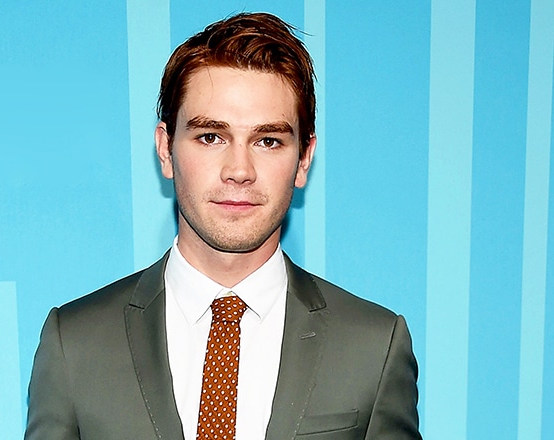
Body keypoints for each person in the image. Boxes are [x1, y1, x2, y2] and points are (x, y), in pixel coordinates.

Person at [25, 12, 421, 440]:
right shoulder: (75, 344)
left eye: (268, 141)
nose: (239, 170)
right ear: (165, 149)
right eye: (211, 137)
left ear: (304, 158)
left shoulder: (373, 348)